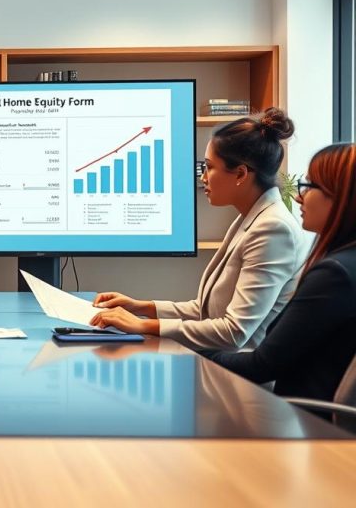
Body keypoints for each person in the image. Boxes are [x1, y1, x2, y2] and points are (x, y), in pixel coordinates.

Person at [91, 108, 308, 350]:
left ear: (240, 174)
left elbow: (234, 332)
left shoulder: (273, 228)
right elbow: (205, 311)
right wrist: (140, 307)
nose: (203, 178)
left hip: (237, 370)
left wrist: (143, 325)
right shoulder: (251, 218)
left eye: (209, 167)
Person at [206, 143, 356, 402]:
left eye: (309, 186)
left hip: (305, 419)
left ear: (341, 195)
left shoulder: (334, 275)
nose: (298, 197)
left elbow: (262, 365)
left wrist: (190, 356)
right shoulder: (345, 264)